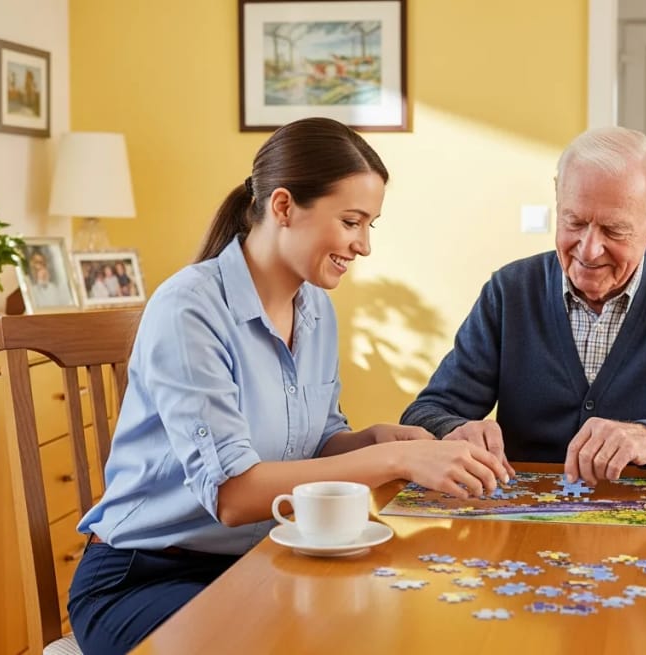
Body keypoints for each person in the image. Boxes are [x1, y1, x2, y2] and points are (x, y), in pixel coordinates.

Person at [68, 117, 507, 654]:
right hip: (145, 577)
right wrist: (397, 465)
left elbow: (318, 440)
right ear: (283, 207)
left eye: (371, 225)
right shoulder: (189, 308)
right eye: (351, 221)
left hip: (263, 563)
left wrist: (375, 441)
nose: (363, 245)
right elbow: (234, 495)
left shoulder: (315, 309)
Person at [400, 126, 646, 485]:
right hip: (523, 522)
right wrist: (454, 429)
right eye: (574, 222)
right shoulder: (509, 290)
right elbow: (424, 414)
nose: (589, 250)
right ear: (558, 201)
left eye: (614, 230)